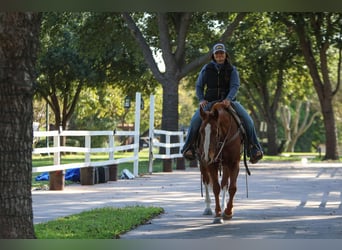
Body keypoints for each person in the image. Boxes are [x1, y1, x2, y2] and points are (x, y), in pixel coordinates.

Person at [181, 42, 263, 164]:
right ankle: (188, 148)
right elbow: (199, 86)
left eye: (222, 53)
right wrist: (202, 99)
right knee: (194, 122)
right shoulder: (206, 69)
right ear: (213, 55)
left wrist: (229, 99)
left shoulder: (232, 69)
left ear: (225, 55)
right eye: (217, 54)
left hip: (229, 102)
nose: (219, 56)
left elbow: (235, 86)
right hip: (209, 102)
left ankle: (254, 149)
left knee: (248, 121)